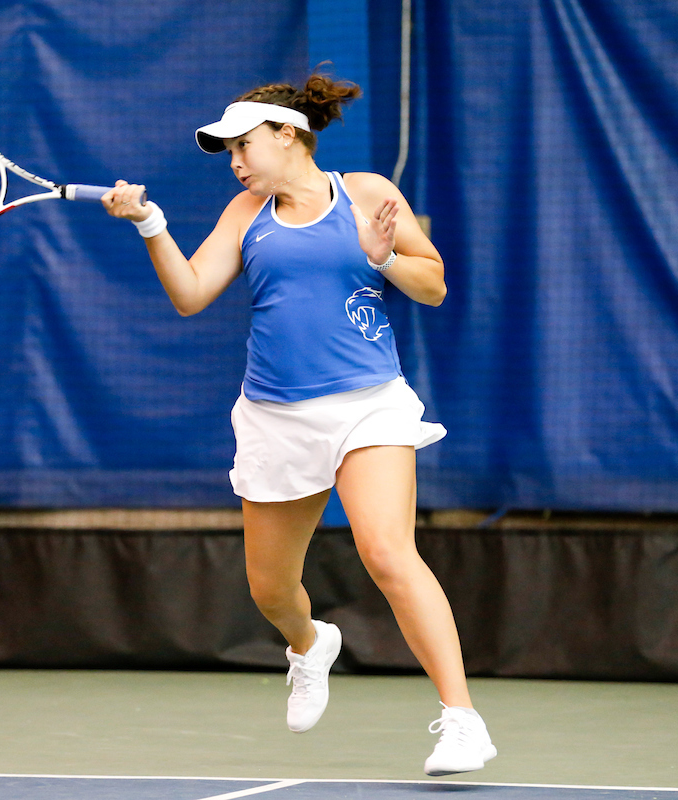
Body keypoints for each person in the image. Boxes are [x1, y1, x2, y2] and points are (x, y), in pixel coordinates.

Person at [100, 72, 496, 776]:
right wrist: (151, 226)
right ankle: (309, 645)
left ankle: (462, 720)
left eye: (243, 146)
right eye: (229, 153)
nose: (237, 162)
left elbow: (433, 286)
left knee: (387, 551)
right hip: (274, 416)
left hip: (368, 404)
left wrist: (385, 259)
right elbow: (191, 295)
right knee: (271, 589)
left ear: (287, 135)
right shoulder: (245, 213)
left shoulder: (369, 194)